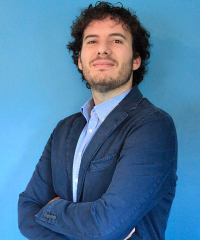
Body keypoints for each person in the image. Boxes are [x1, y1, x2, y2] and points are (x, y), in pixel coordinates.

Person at [18, 2, 178, 240]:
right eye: (92, 41)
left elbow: (107, 225)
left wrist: (50, 208)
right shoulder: (63, 130)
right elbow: (26, 212)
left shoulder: (153, 126)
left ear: (136, 60)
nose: (102, 49)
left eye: (116, 40)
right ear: (81, 61)